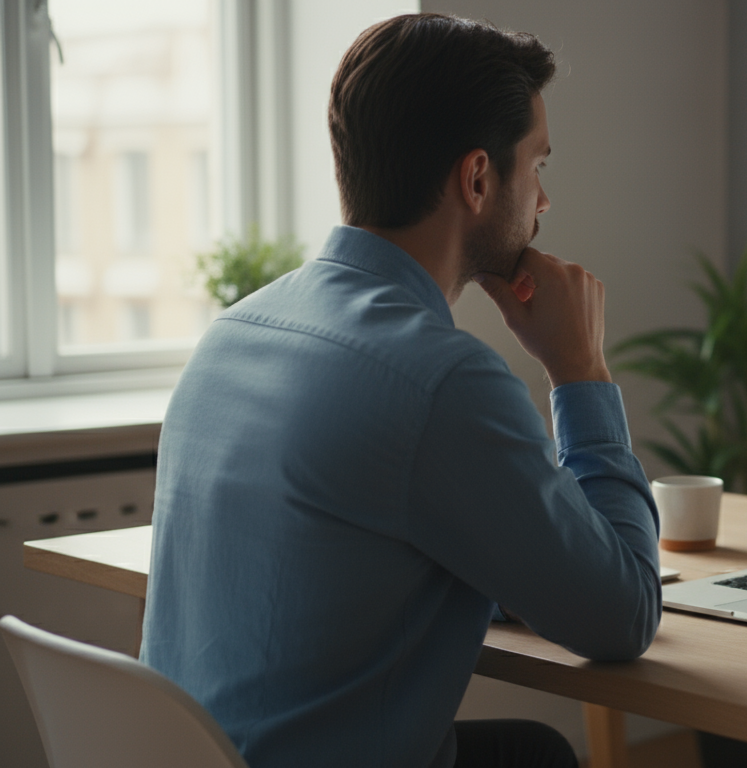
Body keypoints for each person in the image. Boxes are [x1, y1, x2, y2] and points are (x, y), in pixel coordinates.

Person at [140, 13, 661, 768]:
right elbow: (625, 615)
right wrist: (581, 369)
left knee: (531, 753)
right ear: (478, 178)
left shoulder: (232, 334)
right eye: (538, 166)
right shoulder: (442, 381)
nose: (543, 202)